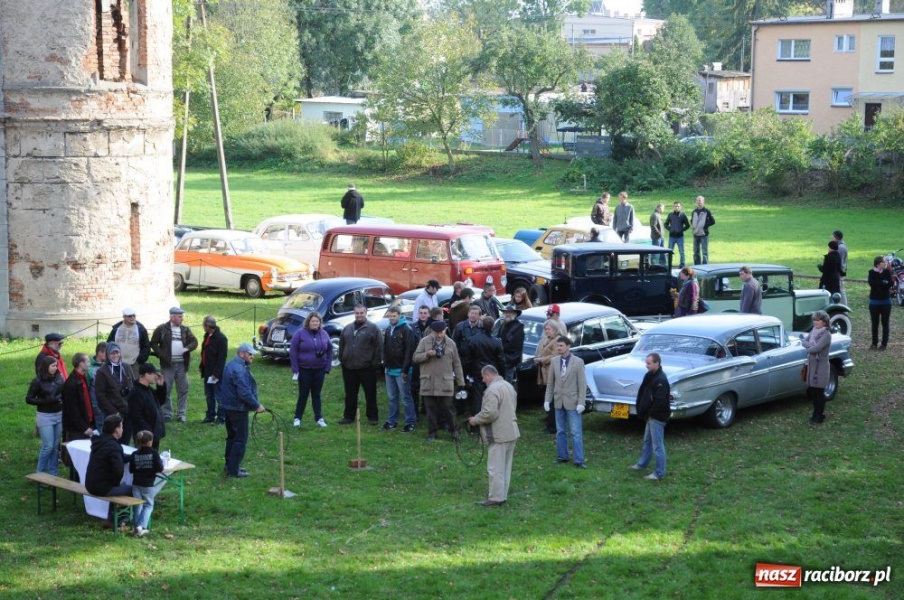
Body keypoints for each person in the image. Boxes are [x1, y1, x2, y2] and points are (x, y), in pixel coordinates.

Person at [468, 365, 520, 507]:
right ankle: (502, 495)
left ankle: (495, 498)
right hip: (511, 431)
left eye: (483, 377)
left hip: (498, 434)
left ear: (488, 375)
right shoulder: (508, 386)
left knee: (495, 468)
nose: (483, 380)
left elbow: (490, 413)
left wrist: (475, 420)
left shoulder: (492, 390)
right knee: (505, 467)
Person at [412, 321, 465, 442]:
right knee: (430, 409)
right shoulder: (424, 342)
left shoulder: (451, 343)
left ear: (445, 330)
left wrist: (461, 382)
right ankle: (432, 433)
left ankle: (454, 431)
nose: (439, 335)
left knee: (448, 408)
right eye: (437, 333)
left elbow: (457, 363)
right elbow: (415, 357)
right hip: (428, 382)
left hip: (445, 382)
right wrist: (427, 354)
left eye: (441, 332)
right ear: (432, 331)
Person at [219, 343, 267, 477]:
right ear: (241, 354)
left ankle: (229, 466)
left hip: (228, 407)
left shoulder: (231, 364)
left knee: (232, 437)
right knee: (240, 439)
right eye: (250, 354)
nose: (252, 357)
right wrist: (257, 405)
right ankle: (233, 470)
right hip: (237, 409)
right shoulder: (239, 370)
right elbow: (244, 393)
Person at [150, 306, 198, 423]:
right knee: (166, 389)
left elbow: (194, 342)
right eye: (180, 316)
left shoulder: (185, 330)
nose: (182, 319)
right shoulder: (162, 329)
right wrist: (162, 354)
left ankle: (181, 414)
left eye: (182, 316)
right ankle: (167, 413)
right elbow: (153, 343)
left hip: (182, 365)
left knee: (183, 389)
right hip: (168, 365)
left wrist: (187, 348)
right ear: (172, 317)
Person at [545, 336, 587, 468]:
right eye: (557, 346)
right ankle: (562, 456)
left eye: (561, 346)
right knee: (560, 431)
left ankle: (579, 460)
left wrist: (581, 402)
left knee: (576, 432)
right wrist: (547, 400)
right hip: (558, 401)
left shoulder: (578, 362)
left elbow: (582, 384)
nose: (559, 348)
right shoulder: (554, 361)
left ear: (568, 346)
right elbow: (550, 383)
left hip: (573, 402)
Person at [337, 304, 383, 425]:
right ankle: (348, 416)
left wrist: (375, 364)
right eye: (357, 313)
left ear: (365, 313)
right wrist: (342, 359)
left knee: (370, 393)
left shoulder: (373, 328)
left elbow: (379, 347)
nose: (359, 315)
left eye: (361, 313)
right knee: (350, 394)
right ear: (354, 313)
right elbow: (341, 344)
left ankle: (372, 417)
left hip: (367, 368)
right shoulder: (347, 328)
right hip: (349, 368)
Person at [629, 353, 670, 481]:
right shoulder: (649, 376)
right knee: (647, 441)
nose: (646, 365)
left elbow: (660, 402)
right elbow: (643, 393)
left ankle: (659, 473)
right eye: (646, 363)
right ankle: (642, 464)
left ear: (657, 363)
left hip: (657, 417)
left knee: (657, 446)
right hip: (650, 416)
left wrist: (651, 414)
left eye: (649, 363)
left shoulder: (661, 380)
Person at [85, 415, 131, 528]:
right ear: (116, 430)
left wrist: (132, 457)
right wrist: (116, 483)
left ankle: (111, 518)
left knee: (120, 487)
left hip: (90, 484)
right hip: (102, 488)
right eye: (121, 427)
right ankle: (119, 520)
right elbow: (118, 470)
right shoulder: (114, 446)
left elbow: (119, 457)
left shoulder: (100, 441)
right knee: (133, 490)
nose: (122, 429)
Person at [290, 311, 332, 428]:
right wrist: (296, 369)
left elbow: (330, 350)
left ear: (320, 322)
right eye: (313, 321)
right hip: (305, 370)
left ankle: (318, 418)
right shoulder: (300, 333)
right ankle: (297, 418)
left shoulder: (324, 334)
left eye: (317, 321)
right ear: (308, 322)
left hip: (319, 370)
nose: (315, 323)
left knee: (316, 394)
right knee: (303, 394)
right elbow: (293, 351)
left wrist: (327, 367)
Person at [27, 355, 65, 475]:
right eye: (53, 366)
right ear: (46, 366)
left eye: (56, 365)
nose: (55, 368)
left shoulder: (59, 377)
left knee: (55, 446)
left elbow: (63, 391)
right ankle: (40, 472)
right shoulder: (37, 381)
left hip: (59, 414)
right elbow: (29, 399)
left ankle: (53, 473)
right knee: (48, 446)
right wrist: (45, 401)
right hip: (45, 416)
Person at [382, 306, 417, 432]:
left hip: (401, 370)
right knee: (392, 397)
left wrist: (405, 370)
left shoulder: (407, 329)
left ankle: (410, 422)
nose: (391, 318)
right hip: (389, 369)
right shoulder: (388, 329)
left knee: (405, 397)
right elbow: (385, 348)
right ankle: (392, 421)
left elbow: (409, 351)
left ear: (399, 315)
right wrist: (385, 364)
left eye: (394, 316)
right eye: (389, 316)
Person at [462, 316, 504, 418]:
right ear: (493, 327)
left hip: (477, 371)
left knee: (478, 396)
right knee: (492, 395)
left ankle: (476, 419)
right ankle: (492, 416)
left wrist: (466, 373)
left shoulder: (472, 340)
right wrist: (502, 374)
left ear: (481, 325)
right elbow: (501, 360)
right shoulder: (497, 342)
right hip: (492, 372)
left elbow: (467, 359)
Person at [94, 342, 135, 445]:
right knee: (113, 442)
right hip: (113, 413)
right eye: (112, 353)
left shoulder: (127, 367)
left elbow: (133, 386)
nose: (115, 355)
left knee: (126, 441)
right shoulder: (102, 372)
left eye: (117, 353)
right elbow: (100, 395)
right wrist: (113, 412)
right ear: (108, 355)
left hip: (128, 411)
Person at [128, 430, 166, 537]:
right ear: (150, 442)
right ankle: (141, 526)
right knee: (148, 505)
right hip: (148, 484)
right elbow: (160, 468)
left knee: (137, 505)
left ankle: (135, 528)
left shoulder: (134, 454)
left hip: (136, 483)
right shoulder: (154, 453)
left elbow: (131, 470)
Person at [801, 311, 831, 424]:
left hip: (821, 366)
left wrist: (809, 347)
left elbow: (816, 348)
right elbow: (804, 342)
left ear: (824, 322)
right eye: (814, 320)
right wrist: (811, 346)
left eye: (818, 320)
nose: (815, 322)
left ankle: (819, 415)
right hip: (812, 365)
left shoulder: (826, 334)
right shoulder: (813, 331)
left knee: (819, 392)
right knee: (812, 391)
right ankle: (816, 414)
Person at [128, 363, 167, 450]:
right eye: (153, 374)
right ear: (146, 374)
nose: (155, 376)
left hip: (153, 433)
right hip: (144, 436)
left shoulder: (149, 389)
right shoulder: (136, 392)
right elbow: (135, 415)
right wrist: (148, 431)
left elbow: (160, 401)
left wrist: (161, 386)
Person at [199, 315, 228, 424]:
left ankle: (221, 417)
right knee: (209, 395)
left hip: (215, 373)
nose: (203, 326)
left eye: (203, 325)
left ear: (208, 326)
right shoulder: (207, 336)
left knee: (219, 396)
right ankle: (210, 415)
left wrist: (216, 373)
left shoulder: (221, 338)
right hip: (207, 371)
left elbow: (222, 358)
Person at [534, 320, 561, 435]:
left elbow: (555, 356)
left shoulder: (558, 340)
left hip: (553, 373)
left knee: (552, 400)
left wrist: (541, 359)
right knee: (548, 398)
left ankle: (553, 426)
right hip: (545, 372)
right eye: (545, 329)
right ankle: (550, 421)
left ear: (554, 329)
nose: (546, 331)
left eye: (548, 329)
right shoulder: (547, 339)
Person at [107, 308, 151, 378]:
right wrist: (112, 358)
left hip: (134, 364)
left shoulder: (141, 329)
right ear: (124, 317)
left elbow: (146, 346)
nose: (132, 317)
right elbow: (109, 343)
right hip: (117, 362)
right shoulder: (116, 329)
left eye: (134, 315)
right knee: (118, 381)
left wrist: (139, 360)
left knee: (134, 382)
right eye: (130, 316)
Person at [62, 353, 95, 444]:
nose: (89, 364)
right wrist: (84, 427)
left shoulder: (83, 378)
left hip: (86, 423)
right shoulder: (71, 383)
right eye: (87, 361)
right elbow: (72, 409)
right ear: (81, 363)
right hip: (77, 429)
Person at [868, 255, 894, 351]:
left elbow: (891, 283)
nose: (885, 263)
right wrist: (883, 283)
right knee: (875, 323)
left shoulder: (887, 271)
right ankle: (874, 343)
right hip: (874, 302)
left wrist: (883, 284)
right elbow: (872, 284)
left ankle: (884, 344)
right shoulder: (871, 272)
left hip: (886, 301)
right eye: (883, 262)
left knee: (885, 323)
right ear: (878, 264)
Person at [497, 304, 525, 384]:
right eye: (506, 312)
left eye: (510, 312)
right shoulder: (503, 325)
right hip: (502, 360)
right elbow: (498, 338)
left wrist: (499, 348)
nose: (508, 314)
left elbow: (513, 346)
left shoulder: (518, 327)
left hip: (511, 360)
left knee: (507, 384)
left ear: (515, 314)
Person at [664, 201, 690, 268]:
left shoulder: (683, 215)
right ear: (673, 207)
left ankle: (682, 264)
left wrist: (682, 230)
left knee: (682, 252)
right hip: (671, 237)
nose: (677, 207)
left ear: (680, 207)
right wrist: (670, 229)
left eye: (678, 206)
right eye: (675, 206)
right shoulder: (670, 215)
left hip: (680, 237)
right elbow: (665, 224)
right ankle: (669, 264)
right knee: (670, 251)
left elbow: (688, 225)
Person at [691, 196, 715, 265]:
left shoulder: (707, 211)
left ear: (703, 201)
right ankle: (697, 265)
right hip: (696, 234)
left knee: (704, 252)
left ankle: (705, 266)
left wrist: (704, 225)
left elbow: (713, 221)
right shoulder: (694, 212)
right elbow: (692, 220)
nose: (699, 202)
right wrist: (694, 226)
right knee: (696, 251)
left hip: (704, 234)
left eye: (700, 200)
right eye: (698, 200)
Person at [88, 342, 106, 430]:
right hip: (97, 405)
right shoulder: (90, 369)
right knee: (101, 429)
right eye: (107, 353)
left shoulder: (108, 365)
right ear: (100, 353)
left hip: (108, 404)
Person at [833, 230, 848, 305]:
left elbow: (840, 261)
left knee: (841, 289)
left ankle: (844, 306)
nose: (831, 237)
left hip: (839, 272)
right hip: (839, 271)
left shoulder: (841, 247)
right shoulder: (840, 245)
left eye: (832, 236)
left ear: (836, 237)